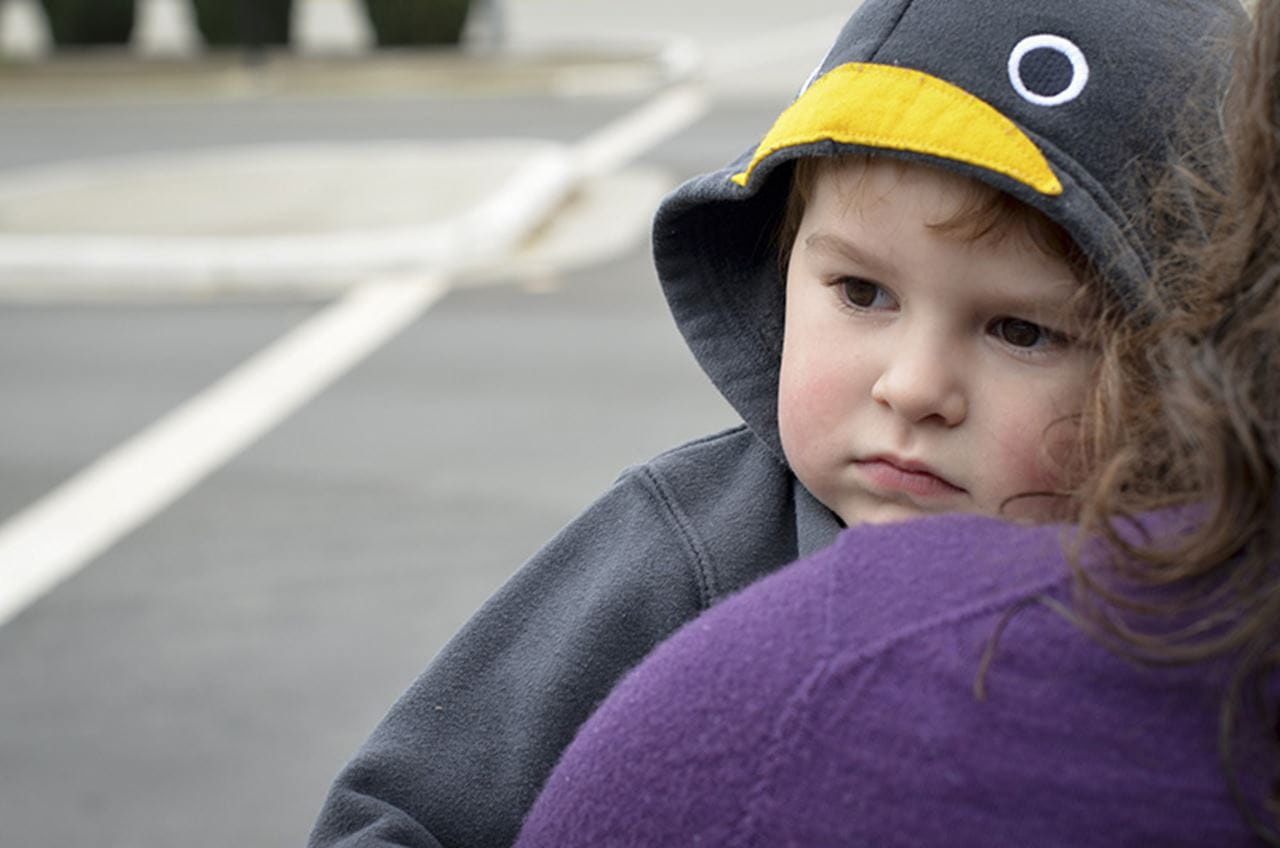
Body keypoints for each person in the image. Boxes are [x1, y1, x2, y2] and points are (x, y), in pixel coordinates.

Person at [308, 1, 1243, 845]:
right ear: (784, 264)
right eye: (862, 291)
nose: (913, 387)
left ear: (1181, 377)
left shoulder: (1198, 622)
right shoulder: (687, 546)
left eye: (1022, 330)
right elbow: (399, 820)